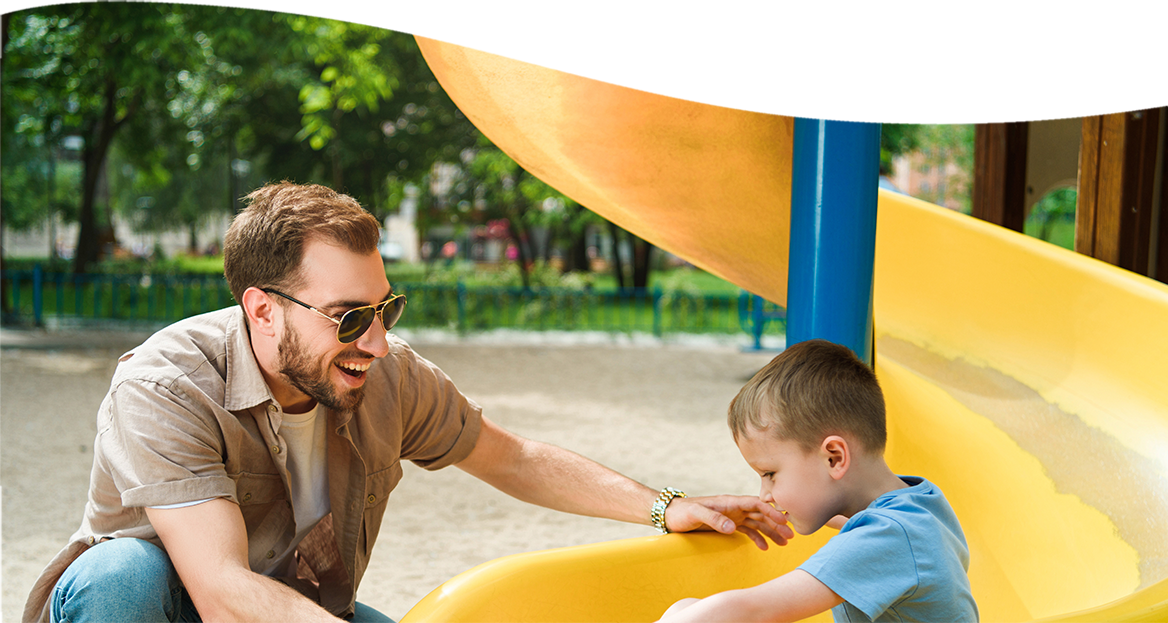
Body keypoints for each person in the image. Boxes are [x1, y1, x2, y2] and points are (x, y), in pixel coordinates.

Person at [23, 182, 792, 623]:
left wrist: (665, 506)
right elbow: (220, 591)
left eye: (386, 310)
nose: (378, 342)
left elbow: (512, 456)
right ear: (262, 309)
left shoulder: (384, 375)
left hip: (298, 607)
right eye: (350, 316)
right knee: (118, 574)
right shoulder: (167, 384)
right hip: (170, 605)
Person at [655, 339, 978, 623]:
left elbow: (752, 610)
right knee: (688, 607)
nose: (765, 494)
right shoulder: (921, 504)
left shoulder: (889, 538)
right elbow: (851, 518)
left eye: (770, 475)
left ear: (834, 457)